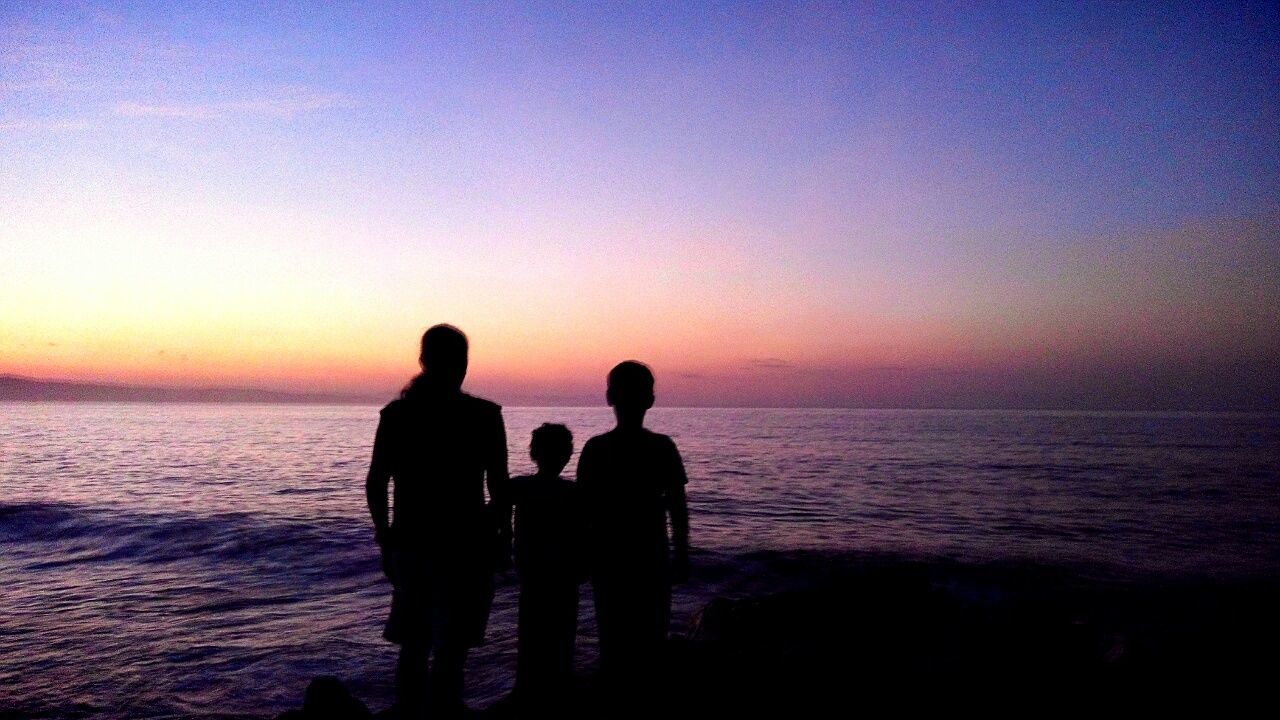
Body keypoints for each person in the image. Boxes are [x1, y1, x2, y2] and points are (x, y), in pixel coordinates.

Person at [365, 324, 510, 718]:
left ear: (423, 361)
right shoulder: (484, 416)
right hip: (466, 545)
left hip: (415, 545)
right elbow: (499, 488)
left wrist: (386, 539)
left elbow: (377, 482)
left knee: (416, 643)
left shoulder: (398, 415)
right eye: (458, 360)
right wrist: (504, 539)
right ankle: (443, 712)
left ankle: (412, 712)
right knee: (452, 646)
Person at [576, 360, 690, 701]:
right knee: (651, 637)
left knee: (613, 638)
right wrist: (681, 552)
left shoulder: (596, 448)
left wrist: (582, 553)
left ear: (609, 397)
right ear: (650, 399)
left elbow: (583, 509)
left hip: (609, 558)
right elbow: (678, 507)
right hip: (648, 556)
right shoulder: (662, 447)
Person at [504, 423, 583, 711]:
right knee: (562, 637)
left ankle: (525, 692)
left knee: (530, 636)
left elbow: (491, 515)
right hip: (564, 575)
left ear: (533, 453)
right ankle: (558, 693)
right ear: (568, 455)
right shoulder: (575, 493)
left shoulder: (520, 487)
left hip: (534, 574)